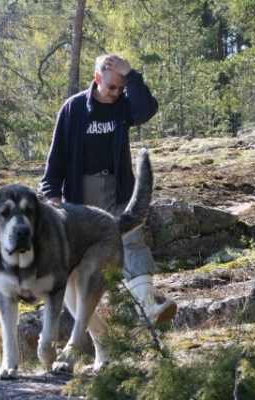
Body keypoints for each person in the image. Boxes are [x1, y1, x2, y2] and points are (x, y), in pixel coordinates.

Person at [40, 54, 177, 326]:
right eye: (111, 87)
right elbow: (56, 160)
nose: (116, 93)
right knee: (83, 262)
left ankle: (148, 307)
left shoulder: (122, 106)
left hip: (118, 188)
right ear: (97, 78)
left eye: (121, 88)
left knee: (131, 239)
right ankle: (90, 329)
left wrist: (131, 74)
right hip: (82, 195)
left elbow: (147, 108)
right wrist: (53, 202)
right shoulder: (74, 108)